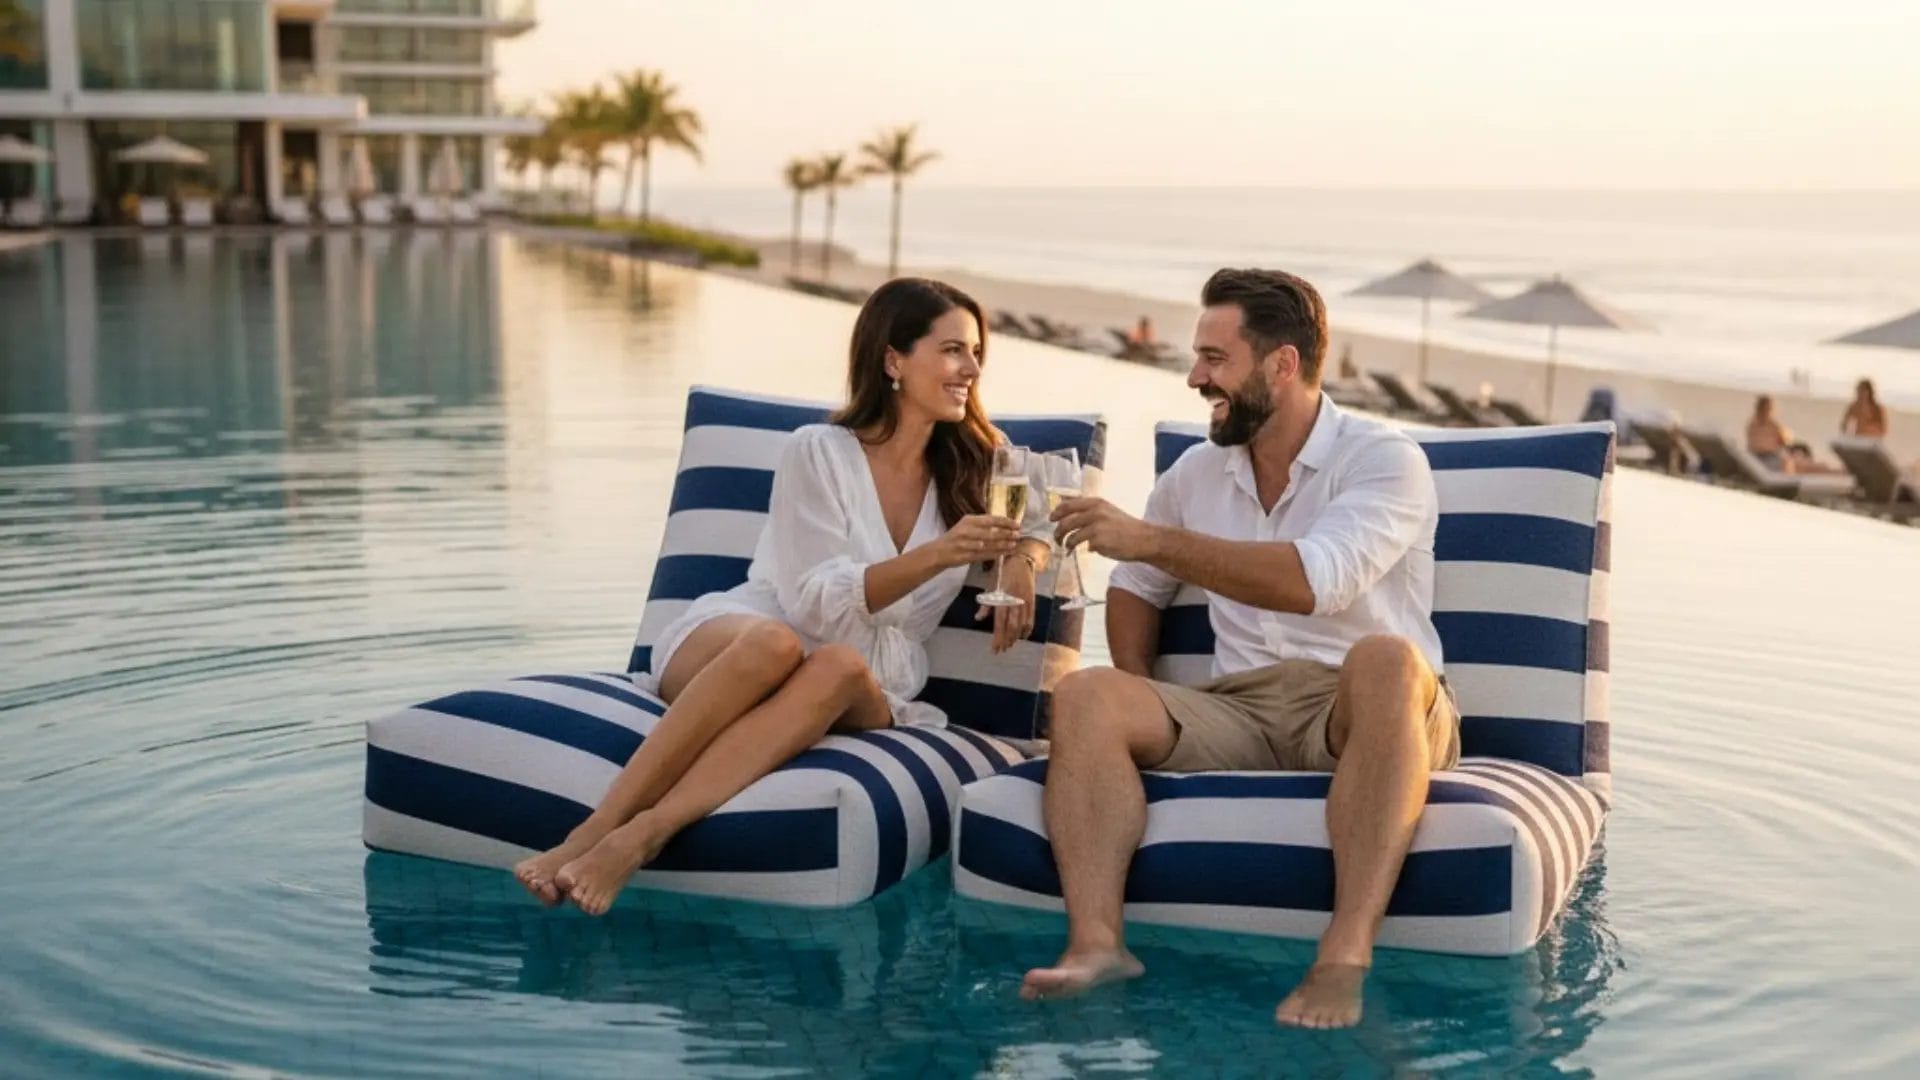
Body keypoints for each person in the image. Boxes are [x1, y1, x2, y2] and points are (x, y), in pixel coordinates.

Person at [514, 278, 1052, 915]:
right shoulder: (817, 452)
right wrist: (939, 554)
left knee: (838, 665)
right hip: (745, 638)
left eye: (977, 352)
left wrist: (1022, 562)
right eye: (953, 350)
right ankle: (595, 831)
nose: (972, 369)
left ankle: (645, 834)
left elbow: (1041, 519)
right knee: (777, 643)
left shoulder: (977, 463)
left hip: (865, 676)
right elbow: (816, 602)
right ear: (893, 360)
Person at [1032, 268, 1461, 1030]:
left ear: (1282, 364)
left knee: (1387, 658)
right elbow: (1135, 586)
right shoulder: (1197, 473)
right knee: (1086, 694)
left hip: (1365, 710)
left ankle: (1343, 956)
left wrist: (1150, 537)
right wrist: (1144, 693)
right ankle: (1097, 945)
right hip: (1242, 709)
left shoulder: (1383, 460)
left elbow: (1314, 582)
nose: (1195, 378)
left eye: (1214, 359)